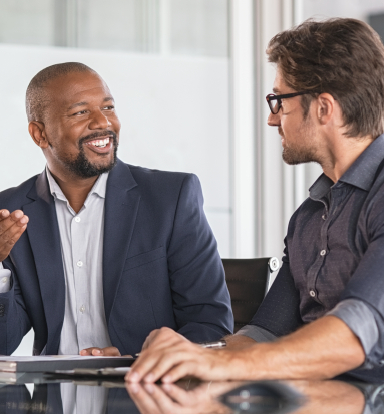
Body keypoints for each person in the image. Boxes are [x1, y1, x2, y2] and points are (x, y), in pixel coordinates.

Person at [126, 17, 384, 383]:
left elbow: (358, 332)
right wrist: (182, 355)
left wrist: (222, 365)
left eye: (279, 101)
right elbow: (263, 334)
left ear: (324, 108)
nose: (271, 118)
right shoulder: (310, 216)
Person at [0, 62, 233, 357]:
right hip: (54, 398)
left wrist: (137, 360)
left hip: (143, 393)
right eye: (80, 112)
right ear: (40, 134)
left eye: (108, 107)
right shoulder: (6, 214)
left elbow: (210, 325)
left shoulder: (170, 199)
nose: (102, 122)